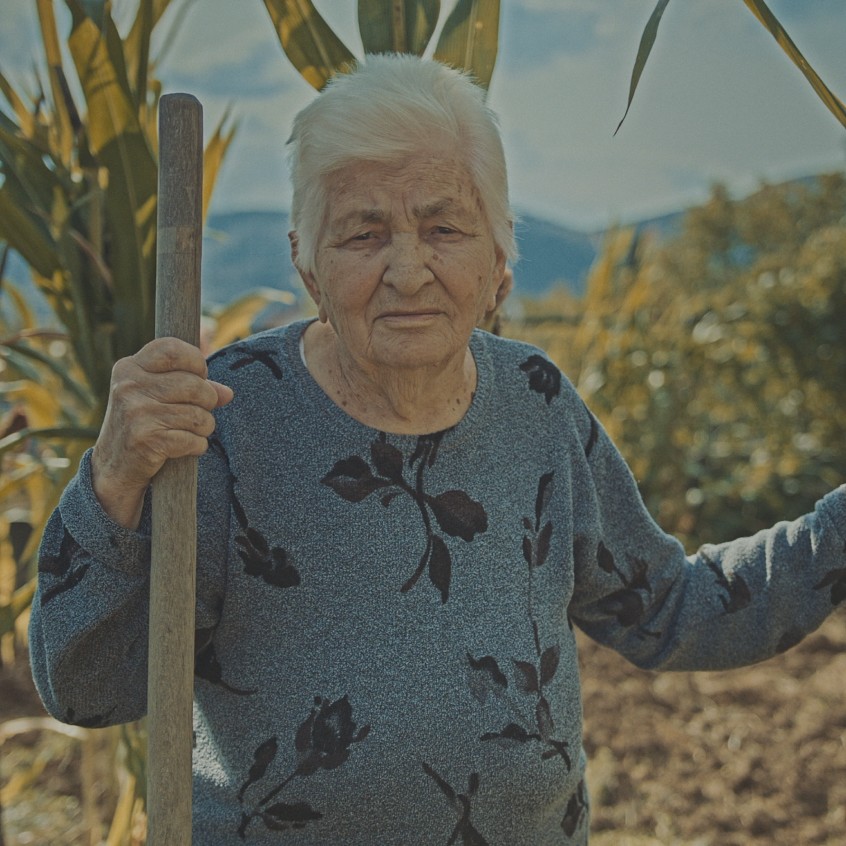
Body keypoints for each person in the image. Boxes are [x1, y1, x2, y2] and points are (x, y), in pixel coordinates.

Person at [29, 54, 845, 845]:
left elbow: (671, 608)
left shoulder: (536, 402)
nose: (408, 271)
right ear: (305, 265)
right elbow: (86, 688)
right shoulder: (220, 420)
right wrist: (112, 478)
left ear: (499, 260)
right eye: (363, 233)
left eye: (444, 227)